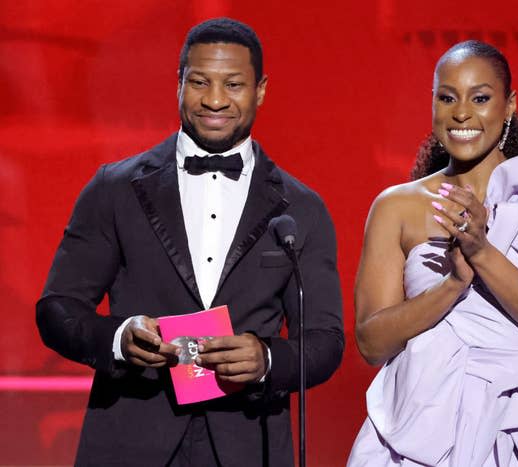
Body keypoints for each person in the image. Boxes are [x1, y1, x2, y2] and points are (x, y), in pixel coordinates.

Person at [36, 17, 344, 467]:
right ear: (179, 83)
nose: (215, 100)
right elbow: (57, 309)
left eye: (233, 84)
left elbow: (325, 340)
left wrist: (266, 360)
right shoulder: (114, 189)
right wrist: (120, 338)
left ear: (260, 90)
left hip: (248, 441)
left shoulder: (301, 207)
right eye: (199, 82)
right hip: (131, 437)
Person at [347, 40, 518, 466]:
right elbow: (371, 341)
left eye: (481, 98)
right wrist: (452, 286)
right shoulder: (396, 206)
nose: (462, 113)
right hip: (417, 429)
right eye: (447, 97)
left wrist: (481, 251)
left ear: (509, 106)